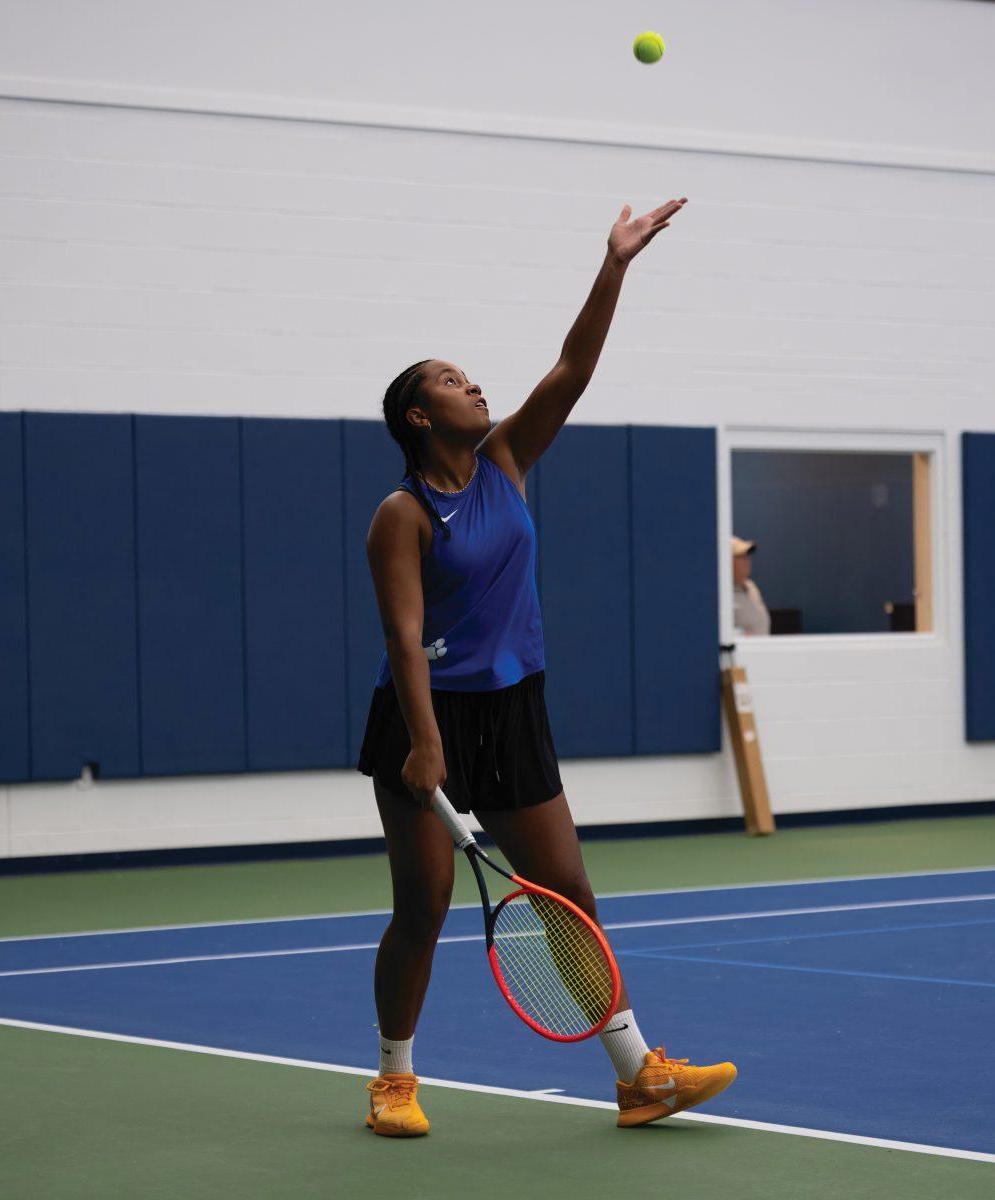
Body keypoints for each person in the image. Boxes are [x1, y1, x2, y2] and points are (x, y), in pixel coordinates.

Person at [356, 197, 736, 1137]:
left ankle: (637, 1076)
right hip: (423, 720)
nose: (474, 386)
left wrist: (614, 263)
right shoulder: (399, 516)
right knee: (425, 904)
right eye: (452, 380)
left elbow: (572, 367)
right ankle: (393, 1080)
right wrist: (426, 746)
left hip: (513, 709)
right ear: (418, 413)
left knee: (569, 896)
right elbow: (403, 637)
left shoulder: (507, 461)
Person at [733, 536, 771, 637]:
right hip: (741, 652)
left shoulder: (752, 586)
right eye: (741, 557)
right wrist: (740, 635)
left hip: (762, 650)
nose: (747, 561)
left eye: (747, 556)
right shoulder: (720, 594)